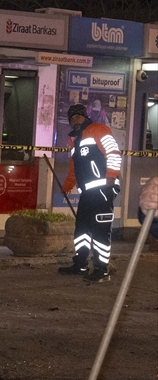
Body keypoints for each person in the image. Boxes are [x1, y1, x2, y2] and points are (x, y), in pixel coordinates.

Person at [60, 103, 122, 281]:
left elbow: (113, 153)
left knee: (101, 230)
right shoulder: (74, 140)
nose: (74, 121)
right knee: (82, 230)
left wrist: (111, 176)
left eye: (78, 117)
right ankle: (80, 265)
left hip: (103, 189)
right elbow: (75, 168)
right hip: (88, 193)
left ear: (85, 117)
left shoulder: (98, 129)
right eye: (71, 119)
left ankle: (102, 270)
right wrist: (67, 186)